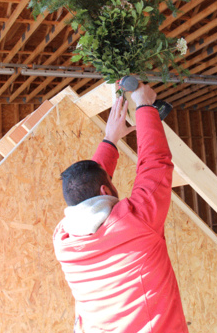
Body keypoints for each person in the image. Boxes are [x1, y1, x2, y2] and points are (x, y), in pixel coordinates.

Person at [53, 83, 188, 332]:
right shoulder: (136, 224)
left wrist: (110, 139)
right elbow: (155, 163)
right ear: (106, 190)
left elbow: (88, 189)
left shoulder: (63, 241)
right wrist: (144, 104)